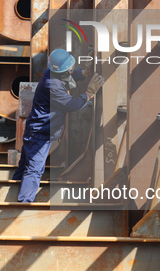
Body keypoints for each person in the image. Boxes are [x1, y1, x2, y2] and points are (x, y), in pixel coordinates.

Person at [12, 49, 105, 202]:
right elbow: (72, 105)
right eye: (70, 68)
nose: (71, 70)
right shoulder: (52, 86)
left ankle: (11, 191)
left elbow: (67, 77)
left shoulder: (51, 73)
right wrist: (89, 93)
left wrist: (84, 73)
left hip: (36, 129)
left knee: (25, 166)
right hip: (40, 134)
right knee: (34, 170)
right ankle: (24, 202)